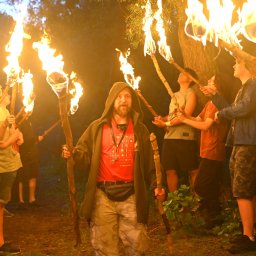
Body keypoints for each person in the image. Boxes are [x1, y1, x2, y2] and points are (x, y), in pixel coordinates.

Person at [62, 82, 154, 256]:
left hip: (131, 195)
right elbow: (83, 154)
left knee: (138, 247)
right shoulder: (97, 128)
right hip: (103, 196)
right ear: (112, 100)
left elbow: (151, 161)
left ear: (132, 101)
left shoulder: (140, 130)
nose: (123, 100)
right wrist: (72, 153)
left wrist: (157, 184)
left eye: (127, 96)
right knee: (104, 248)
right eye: (119, 96)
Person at [177, 74, 231, 228]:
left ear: (218, 86)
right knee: (211, 185)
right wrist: (185, 115)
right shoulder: (210, 103)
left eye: (211, 81)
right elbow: (199, 120)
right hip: (207, 151)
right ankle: (214, 219)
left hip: (213, 150)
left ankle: (213, 213)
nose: (208, 83)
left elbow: (205, 126)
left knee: (201, 185)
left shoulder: (217, 104)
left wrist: (184, 120)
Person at [214, 58, 256, 254]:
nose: (233, 65)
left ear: (246, 65)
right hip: (241, 142)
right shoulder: (244, 88)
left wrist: (221, 114)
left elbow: (243, 109)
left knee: (242, 189)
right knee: (246, 189)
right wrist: (216, 98)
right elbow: (233, 110)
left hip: (248, 143)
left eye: (237, 62)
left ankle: (247, 236)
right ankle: (250, 232)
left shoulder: (253, 85)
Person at [152, 68, 199, 192]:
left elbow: (184, 116)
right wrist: (162, 118)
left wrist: (165, 123)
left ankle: (197, 200)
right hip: (170, 137)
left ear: (190, 79)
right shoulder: (174, 95)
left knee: (192, 169)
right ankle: (174, 202)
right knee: (170, 170)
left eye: (183, 73)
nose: (180, 73)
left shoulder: (191, 94)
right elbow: (172, 115)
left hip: (185, 138)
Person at [0, 88, 23, 254]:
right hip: (2, 166)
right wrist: (6, 128)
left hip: (9, 165)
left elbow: (15, 135)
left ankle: (0, 242)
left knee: (1, 205)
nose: (6, 92)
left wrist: (17, 135)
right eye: (2, 90)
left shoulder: (5, 111)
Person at [16, 114, 44, 209]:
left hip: (33, 153)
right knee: (22, 177)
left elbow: (31, 137)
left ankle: (32, 199)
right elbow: (23, 140)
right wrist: (36, 138)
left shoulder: (30, 122)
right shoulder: (20, 123)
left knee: (33, 175)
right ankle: (21, 201)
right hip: (24, 154)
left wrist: (36, 139)